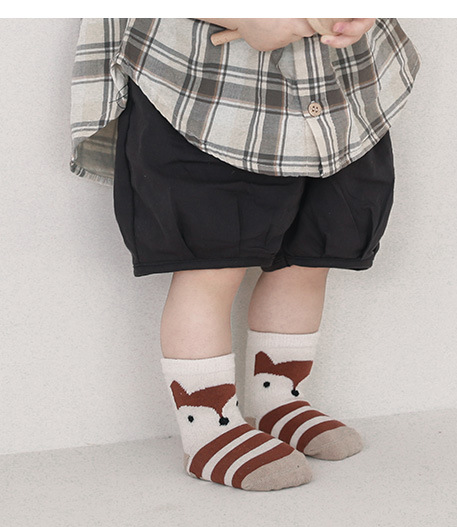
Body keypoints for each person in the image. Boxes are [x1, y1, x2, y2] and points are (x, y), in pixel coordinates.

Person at [69, 18, 420, 491]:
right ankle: (207, 430)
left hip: (335, 84)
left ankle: (280, 402)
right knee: (211, 263)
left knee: (309, 255)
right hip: (213, 92)